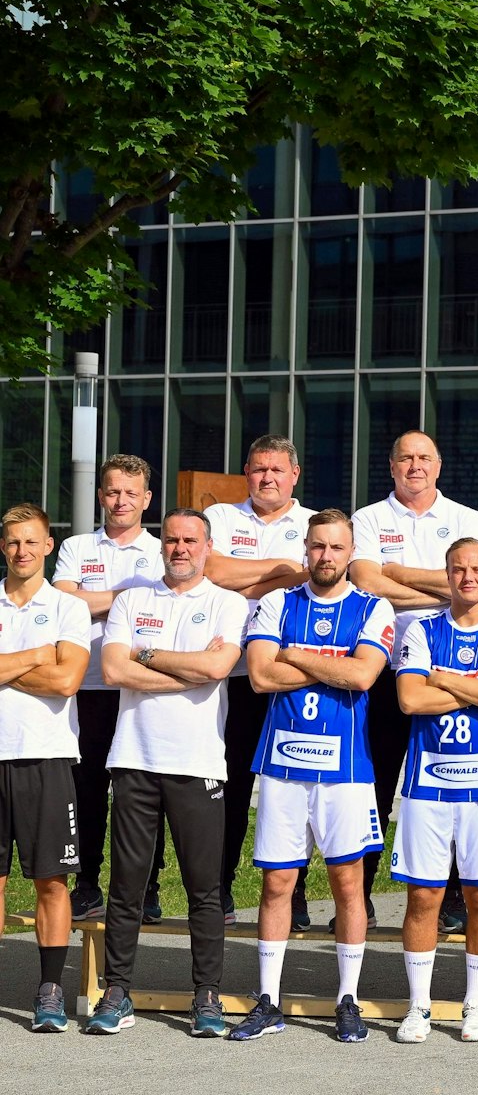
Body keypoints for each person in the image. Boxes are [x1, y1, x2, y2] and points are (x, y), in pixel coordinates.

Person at [227, 510, 395, 1044]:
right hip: (283, 765)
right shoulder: (277, 602)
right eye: (318, 546)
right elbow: (258, 675)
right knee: (277, 882)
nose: (326, 556)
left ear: (351, 553)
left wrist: (295, 655)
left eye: (336, 548)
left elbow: (364, 674)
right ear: (306, 549)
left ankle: (347, 998)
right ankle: (269, 1000)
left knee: (348, 883)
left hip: (346, 769)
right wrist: (330, 663)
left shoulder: (374, 607)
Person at [89, 508, 248, 1037]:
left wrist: (147, 654)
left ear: (207, 548)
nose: (179, 549)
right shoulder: (133, 599)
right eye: (172, 540)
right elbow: (113, 669)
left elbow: (218, 670)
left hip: (197, 761)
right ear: (163, 547)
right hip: (133, 757)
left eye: (190, 541)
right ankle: (117, 992)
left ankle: (206, 995)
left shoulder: (227, 602)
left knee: (204, 888)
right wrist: (185, 672)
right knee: (127, 884)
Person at [388, 538, 478, 1044]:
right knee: (423, 896)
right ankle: (419, 1007)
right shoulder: (423, 631)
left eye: (477, 570)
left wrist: (443, 680)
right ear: (446, 575)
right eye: (458, 569)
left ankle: (476, 1007)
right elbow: (408, 699)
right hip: (427, 788)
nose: (467, 577)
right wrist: (475, 687)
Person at [349, 430, 478, 930]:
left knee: (450, 785)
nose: (415, 466)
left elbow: (472, 584)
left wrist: (399, 573)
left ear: (439, 465)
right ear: (391, 466)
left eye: (424, 458)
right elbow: (366, 582)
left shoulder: (466, 520)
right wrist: (440, 583)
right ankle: (357, 898)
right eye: (405, 457)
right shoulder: (368, 518)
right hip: (383, 668)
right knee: (375, 785)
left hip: (448, 670)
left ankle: (453, 899)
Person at [203, 436, 314, 927]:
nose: (266, 478)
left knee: (298, 784)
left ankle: (298, 894)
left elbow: (315, 579)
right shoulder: (223, 519)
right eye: (257, 469)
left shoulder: (313, 524)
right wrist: (280, 571)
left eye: (276, 470)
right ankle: (221, 888)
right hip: (231, 674)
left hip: (291, 675)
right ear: (245, 472)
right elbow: (210, 571)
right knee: (228, 783)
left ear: (295, 474)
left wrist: (245, 583)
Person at [53, 456, 166, 923]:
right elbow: (63, 602)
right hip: (87, 686)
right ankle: (86, 883)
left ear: (146, 499)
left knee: (143, 789)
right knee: (87, 789)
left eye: (130, 493)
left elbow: (162, 608)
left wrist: (93, 602)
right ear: (100, 495)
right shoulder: (77, 547)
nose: (121, 501)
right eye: (112, 491)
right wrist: (127, 598)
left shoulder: (162, 551)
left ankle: (148, 887)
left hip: (140, 687)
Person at [0, 504, 90, 1031]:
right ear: (2, 546)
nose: (22, 551)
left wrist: (11, 666)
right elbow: (50, 669)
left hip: (45, 756)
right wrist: (38, 654)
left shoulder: (67, 607)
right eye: (13, 542)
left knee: (51, 881)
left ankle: (50, 990)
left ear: (48, 546)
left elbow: (65, 683)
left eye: (31, 542)